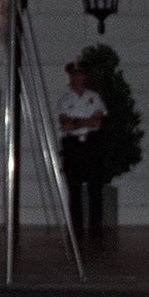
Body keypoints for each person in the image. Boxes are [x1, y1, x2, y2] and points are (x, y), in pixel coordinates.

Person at [56, 60, 107, 240]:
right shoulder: (65, 100)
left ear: (86, 77)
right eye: (74, 75)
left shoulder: (95, 98)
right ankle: (76, 230)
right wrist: (86, 122)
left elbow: (98, 121)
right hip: (72, 145)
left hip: (91, 143)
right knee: (74, 186)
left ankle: (95, 228)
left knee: (95, 186)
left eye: (81, 74)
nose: (77, 78)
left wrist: (76, 122)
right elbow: (65, 124)